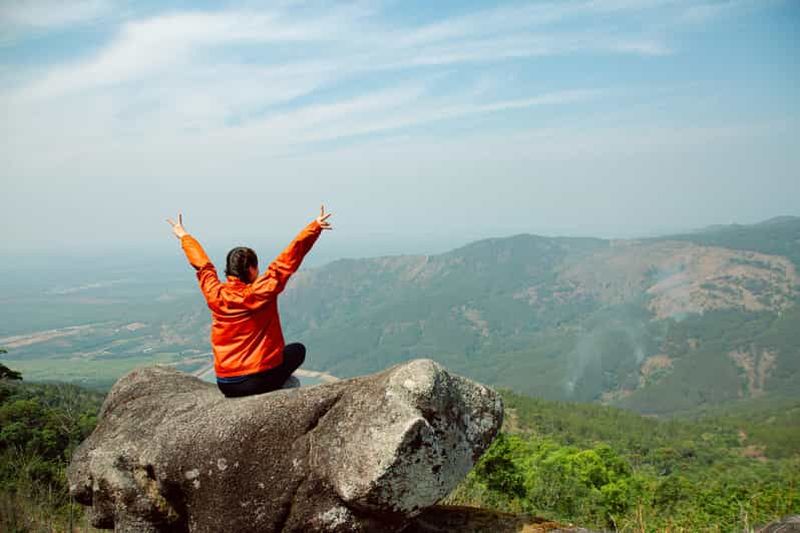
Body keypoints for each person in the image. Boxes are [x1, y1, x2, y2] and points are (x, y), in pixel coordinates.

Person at [166, 206, 332, 398]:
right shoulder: (261, 291)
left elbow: (203, 266)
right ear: (252, 269)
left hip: (226, 383)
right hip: (258, 379)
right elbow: (288, 259)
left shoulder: (215, 293)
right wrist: (314, 227)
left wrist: (183, 236)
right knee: (297, 350)